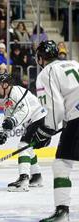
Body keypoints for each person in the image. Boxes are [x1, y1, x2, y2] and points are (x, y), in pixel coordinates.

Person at [32, 40, 79, 222]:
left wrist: (46, 130)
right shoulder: (74, 63)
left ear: (41, 58)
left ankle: (62, 212)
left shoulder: (47, 73)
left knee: (61, 164)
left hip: (76, 118)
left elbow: (55, 108)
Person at [0, 72, 46, 192]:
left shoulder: (16, 91)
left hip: (39, 119)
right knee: (27, 148)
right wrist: (2, 133)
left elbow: (25, 111)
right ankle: (36, 177)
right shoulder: (7, 99)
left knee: (23, 146)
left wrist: (13, 121)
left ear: (6, 84)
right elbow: (7, 118)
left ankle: (23, 180)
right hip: (34, 121)